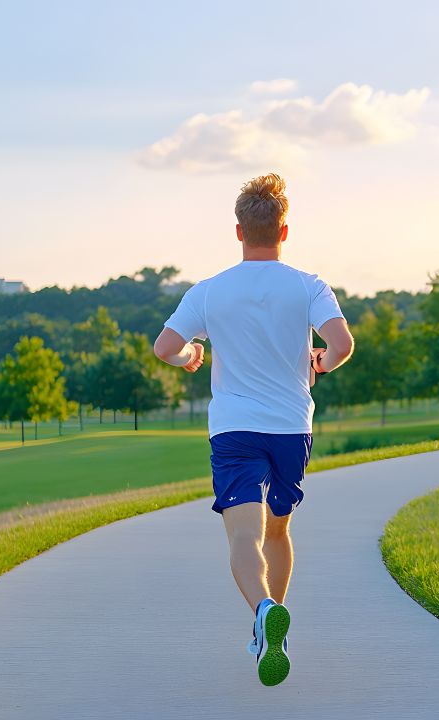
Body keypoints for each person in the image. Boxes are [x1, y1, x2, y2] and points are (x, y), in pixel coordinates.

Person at [152, 173, 354, 687]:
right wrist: (322, 362)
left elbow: (163, 347)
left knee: (245, 533)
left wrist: (188, 356)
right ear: (284, 231)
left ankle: (264, 611)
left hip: (235, 430)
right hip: (291, 427)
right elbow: (342, 343)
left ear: (238, 231)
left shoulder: (209, 291)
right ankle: (273, 626)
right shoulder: (310, 286)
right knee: (279, 529)